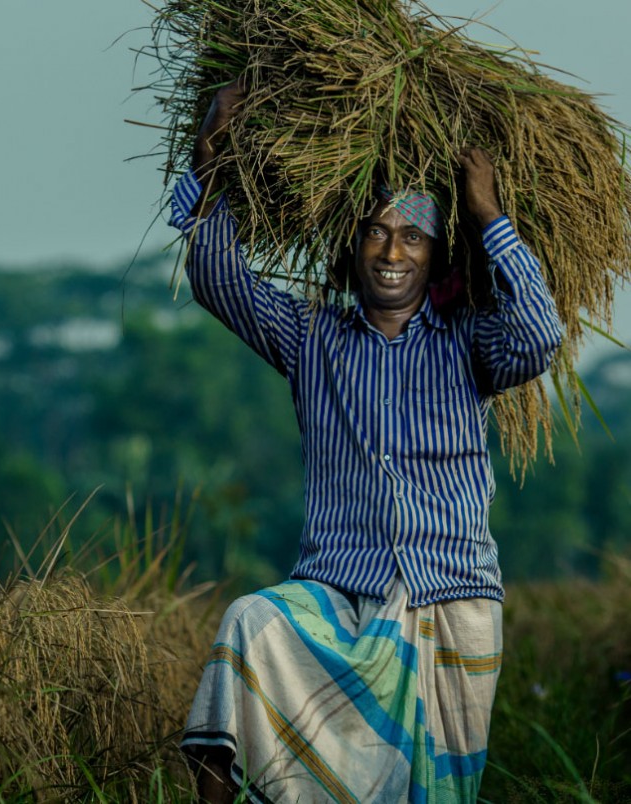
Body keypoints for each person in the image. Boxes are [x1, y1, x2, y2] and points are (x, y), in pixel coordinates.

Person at [168, 79, 562, 803]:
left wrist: (488, 215)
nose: (391, 250)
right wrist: (208, 158)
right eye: (377, 231)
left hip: (450, 598)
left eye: (412, 235)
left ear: (436, 256)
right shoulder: (310, 338)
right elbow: (215, 275)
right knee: (248, 623)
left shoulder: (469, 344)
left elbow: (539, 335)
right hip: (336, 593)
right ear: (353, 246)